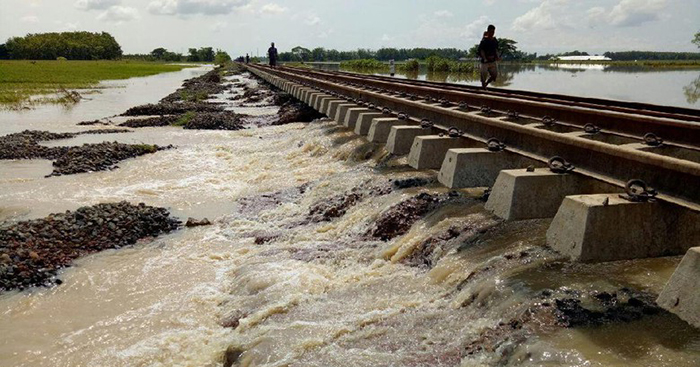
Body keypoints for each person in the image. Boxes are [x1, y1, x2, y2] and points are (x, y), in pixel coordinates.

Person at [477, 24, 500, 89]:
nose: (492, 33)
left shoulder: (494, 40)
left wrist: (497, 57)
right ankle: (484, 87)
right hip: (485, 62)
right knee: (483, 75)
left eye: (493, 32)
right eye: (491, 32)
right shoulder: (484, 40)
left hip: (492, 61)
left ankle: (486, 84)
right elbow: (481, 50)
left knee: (494, 76)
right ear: (488, 31)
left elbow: (496, 49)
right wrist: (484, 58)